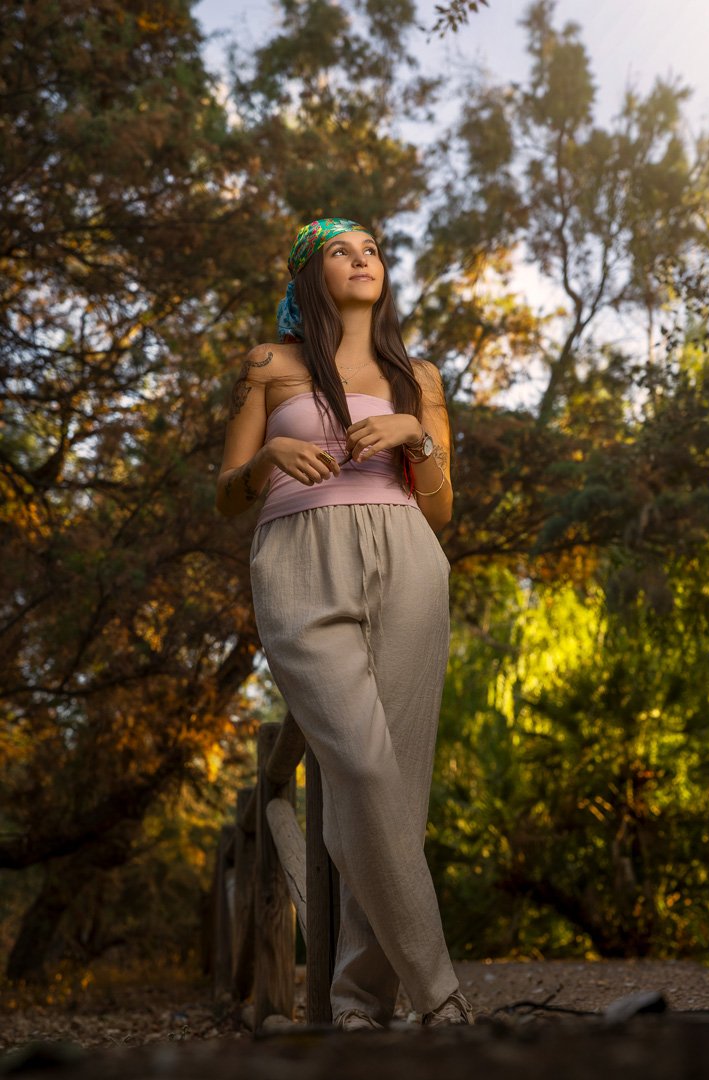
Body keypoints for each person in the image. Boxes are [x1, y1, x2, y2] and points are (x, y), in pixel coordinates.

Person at [216, 217, 473, 1031]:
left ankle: (359, 1002)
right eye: (340, 250)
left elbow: (439, 515)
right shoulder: (270, 364)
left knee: (397, 794)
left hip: (406, 560)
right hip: (298, 557)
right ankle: (442, 996)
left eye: (370, 250)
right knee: (360, 769)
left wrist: (417, 438)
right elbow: (224, 492)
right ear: (306, 274)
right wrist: (263, 463)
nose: (362, 259)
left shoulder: (417, 374)